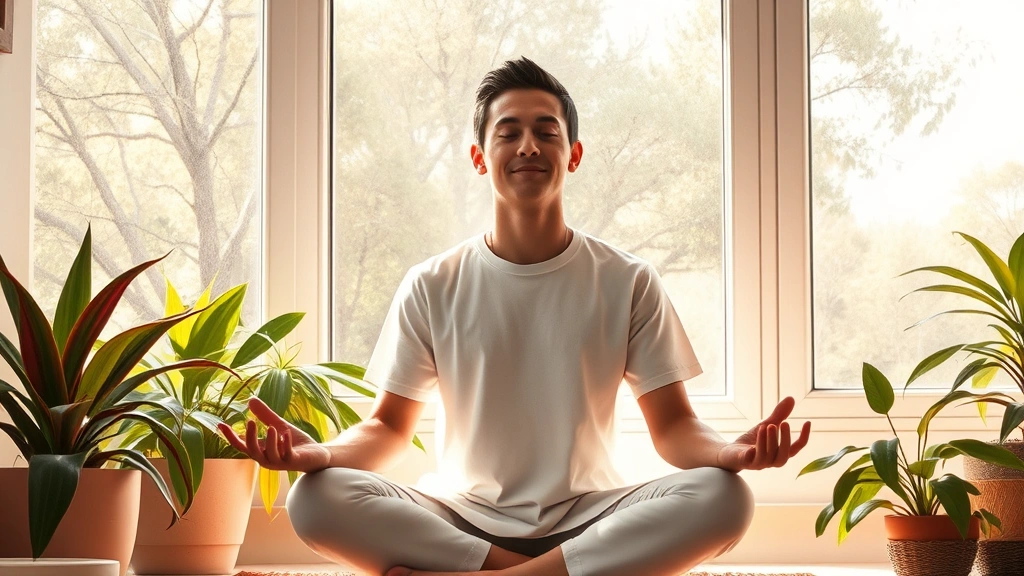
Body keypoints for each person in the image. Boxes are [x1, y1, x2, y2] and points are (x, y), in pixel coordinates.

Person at [219, 57, 811, 576]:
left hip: (590, 514)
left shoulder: (628, 280)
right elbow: (389, 429)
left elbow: (674, 429)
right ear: (480, 157)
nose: (528, 146)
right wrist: (317, 455)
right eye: (509, 132)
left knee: (724, 498)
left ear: (572, 155)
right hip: (459, 518)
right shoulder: (431, 284)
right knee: (315, 500)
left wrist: (730, 453)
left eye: (546, 132)